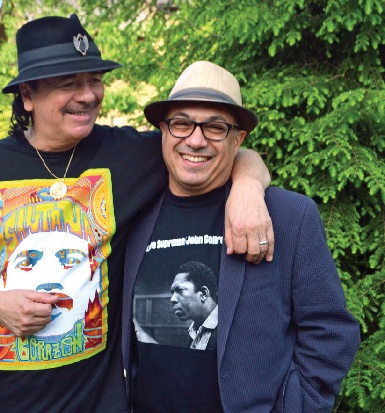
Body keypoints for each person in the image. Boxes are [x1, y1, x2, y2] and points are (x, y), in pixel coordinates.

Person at [0, 15, 274, 412]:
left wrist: (247, 189)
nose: (89, 95)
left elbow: (220, 146)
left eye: (94, 80)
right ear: (27, 94)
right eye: (69, 83)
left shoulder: (128, 154)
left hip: (92, 400)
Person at [122, 60, 361, 412]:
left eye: (215, 127)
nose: (196, 139)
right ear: (164, 130)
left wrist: (296, 405)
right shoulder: (134, 212)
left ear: (239, 138)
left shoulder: (288, 216)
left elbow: (330, 329)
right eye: (182, 123)